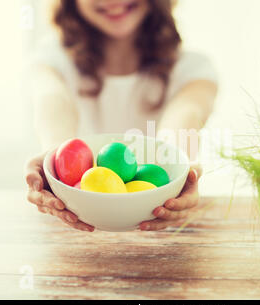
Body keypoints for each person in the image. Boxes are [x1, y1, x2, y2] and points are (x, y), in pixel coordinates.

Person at [25, 0, 218, 232]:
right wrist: (55, 157)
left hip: (160, 229)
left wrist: (175, 171)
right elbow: (53, 100)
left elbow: (187, 112)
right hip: (70, 226)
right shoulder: (51, 57)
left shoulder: (193, 67)